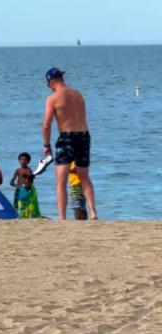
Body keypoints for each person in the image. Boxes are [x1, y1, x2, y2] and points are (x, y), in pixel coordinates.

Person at [42, 68, 98, 220]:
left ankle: (62, 218)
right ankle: (93, 212)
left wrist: (46, 144)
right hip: (84, 135)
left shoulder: (52, 99)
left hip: (67, 137)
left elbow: (47, 125)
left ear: (51, 82)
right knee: (84, 177)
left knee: (61, 180)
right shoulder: (77, 94)